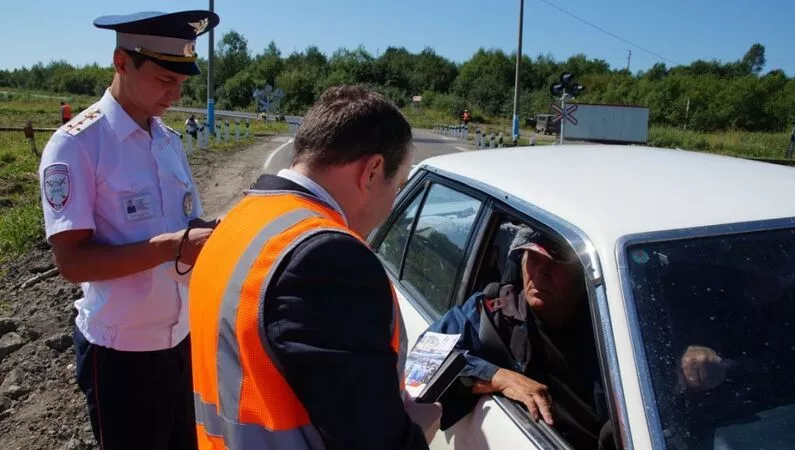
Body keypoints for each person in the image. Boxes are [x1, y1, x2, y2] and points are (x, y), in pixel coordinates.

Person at [188, 85, 440, 450]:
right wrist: (419, 429)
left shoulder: (240, 221)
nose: (392, 203)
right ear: (371, 171)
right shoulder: (327, 258)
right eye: (397, 185)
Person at [38, 10, 221, 450]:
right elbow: (72, 261)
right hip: (121, 355)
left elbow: (186, 221)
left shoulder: (168, 140)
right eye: (163, 80)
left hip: (180, 340)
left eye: (181, 83)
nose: (174, 94)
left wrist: (223, 230)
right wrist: (170, 246)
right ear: (122, 62)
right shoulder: (77, 144)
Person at [424, 224, 609, 449]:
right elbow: (424, 359)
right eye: (533, 258)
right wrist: (497, 377)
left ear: (583, 276)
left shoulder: (613, 327)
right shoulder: (492, 313)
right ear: (520, 263)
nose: (541, 273)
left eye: (556, 262)